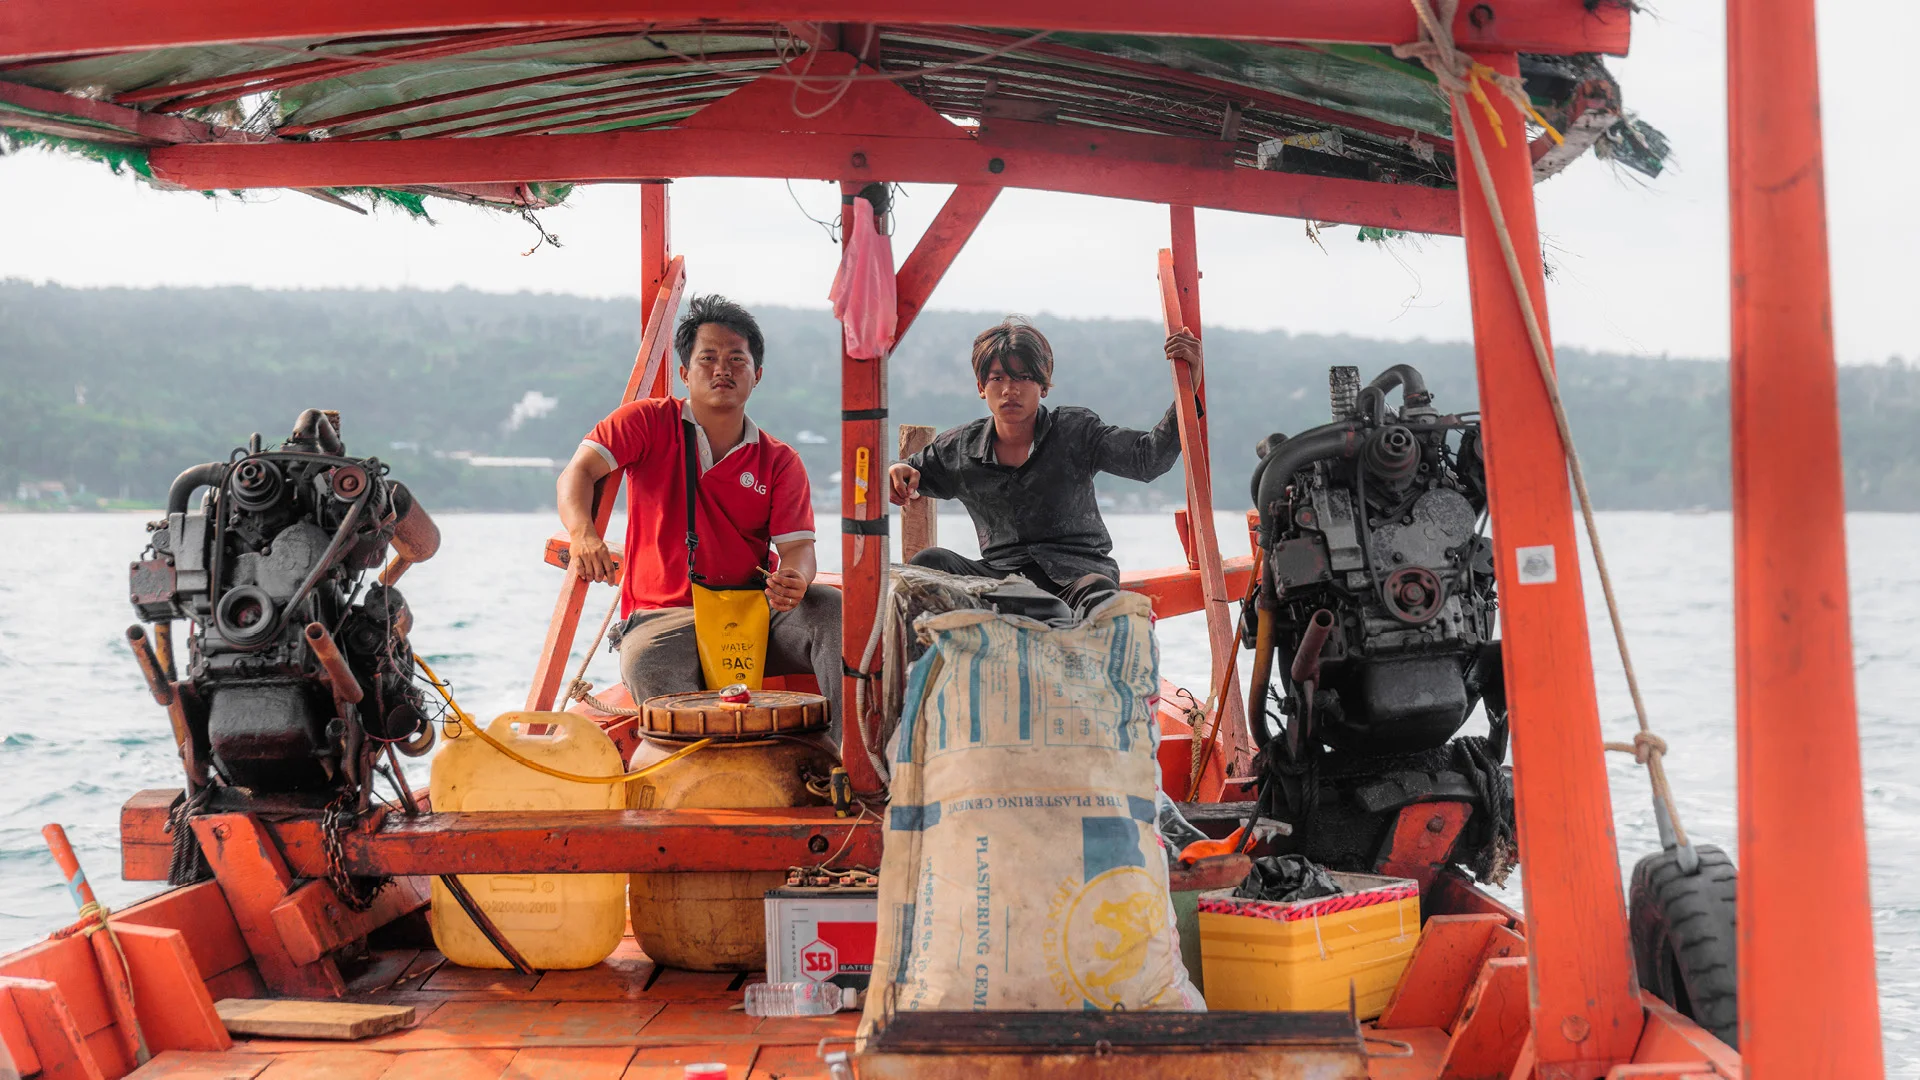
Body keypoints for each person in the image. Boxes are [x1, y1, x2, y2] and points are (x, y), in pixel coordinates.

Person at [557, 295, 843, 732]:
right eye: (708, 358)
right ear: (685, 373)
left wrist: (796, 579)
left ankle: (843, 758)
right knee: (647, 663)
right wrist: (582, 534)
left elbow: (799, 550)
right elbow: (577, 473)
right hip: (663, 615)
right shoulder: (646, 423)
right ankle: (696, 777)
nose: (722, 370)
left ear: (757, 375)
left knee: (832, 611)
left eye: (736, 359)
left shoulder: (780, 460)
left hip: (753, 611)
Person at [888, 316, 1201, 614]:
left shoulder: (1075, 430)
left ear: (1043, 385)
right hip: (1002, 580)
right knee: (931, 562)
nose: (1010, 389)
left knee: (1099, 593)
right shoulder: (960, 448)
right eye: (998, 378)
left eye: (1023, 377)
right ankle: (924, 664)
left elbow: (1148, 459)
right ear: (982, 387)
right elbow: (907, 473)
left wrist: (1190, 386)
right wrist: (898, 472)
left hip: (1076, 579)